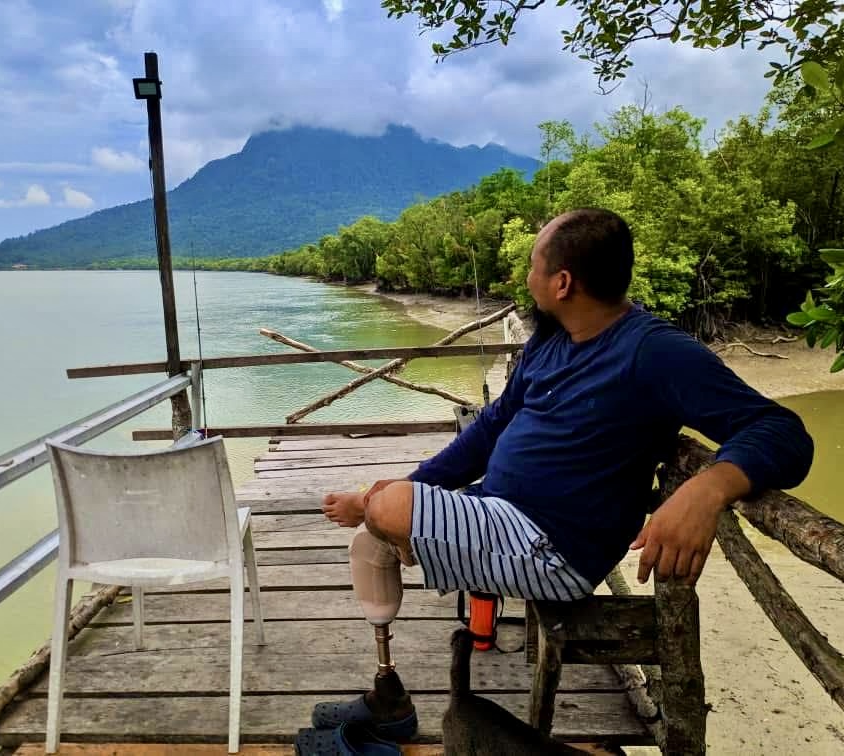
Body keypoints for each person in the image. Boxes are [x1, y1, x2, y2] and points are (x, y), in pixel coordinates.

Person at [311, 207, 814, 742]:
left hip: (555, 550)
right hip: (498, 512)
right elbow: (489, 431)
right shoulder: (550, 341)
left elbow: (783, 432)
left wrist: (707, 489)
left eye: (533, 265)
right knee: (373, 536)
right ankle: (387, 694)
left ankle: (386, 521)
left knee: (387, 508)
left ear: (562, 282)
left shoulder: (655, 352)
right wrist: (403, 491)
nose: (526, 277)